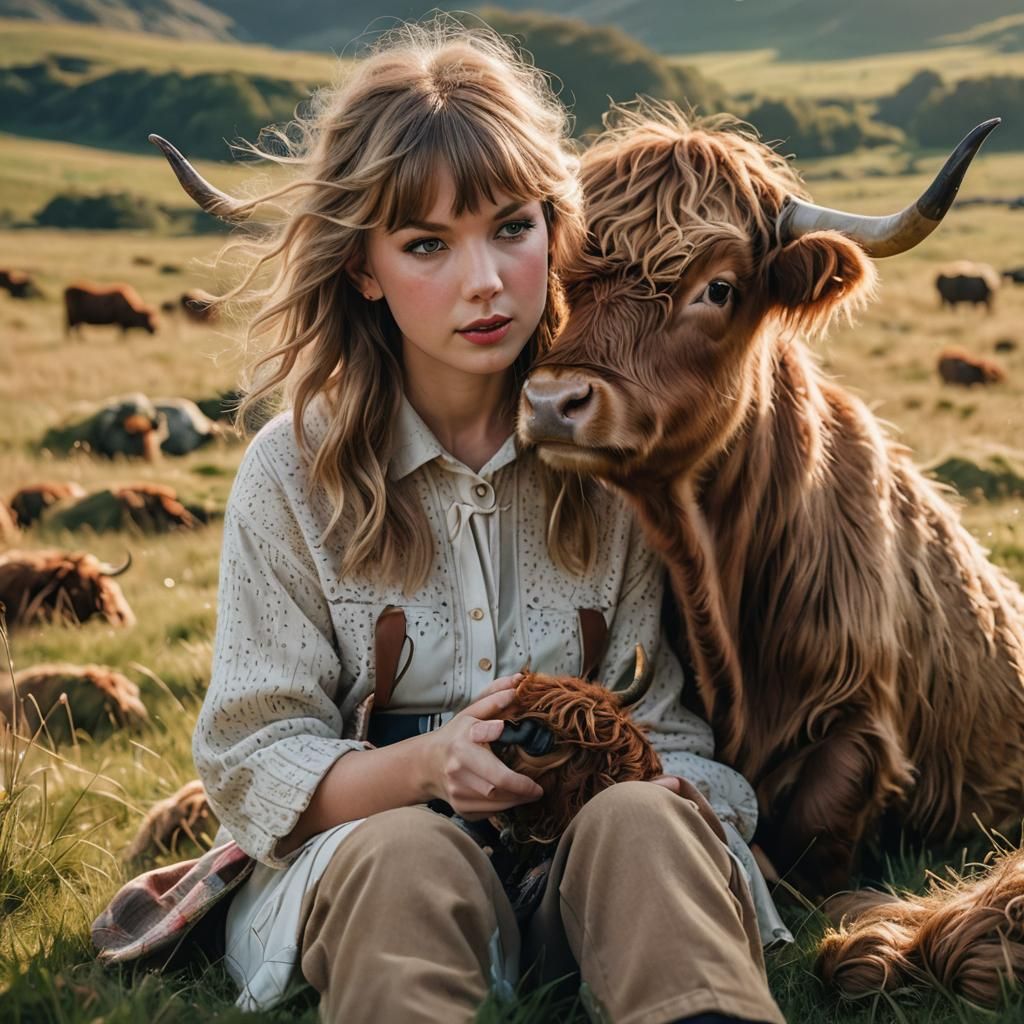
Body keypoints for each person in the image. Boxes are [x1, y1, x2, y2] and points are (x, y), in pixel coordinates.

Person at [99, 19, 789, 1024]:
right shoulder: (289, 472)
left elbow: (662, 723)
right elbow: (255, 757)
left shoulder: (612, 465)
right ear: (363, 268)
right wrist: (426, 767)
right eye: (428, 243)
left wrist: (658, 798)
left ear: (556, 228)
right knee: (405, 850)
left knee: (645, 819)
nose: (486, 281)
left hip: (577, 878)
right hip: (365, 873)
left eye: (513, 226)